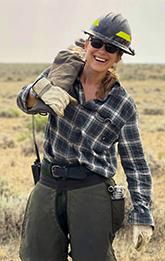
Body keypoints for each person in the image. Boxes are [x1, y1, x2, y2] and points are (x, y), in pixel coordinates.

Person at [17, 12, 154, 261]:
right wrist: (39, 90)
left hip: (91, 191)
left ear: (118, 57)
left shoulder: (122, 104)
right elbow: (24, 103)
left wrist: (142, 214)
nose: (102, 51)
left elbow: (135, 164)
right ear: (87, 43)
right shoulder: (62, 76)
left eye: (111, 48)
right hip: (48, 185)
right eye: (98, 43)